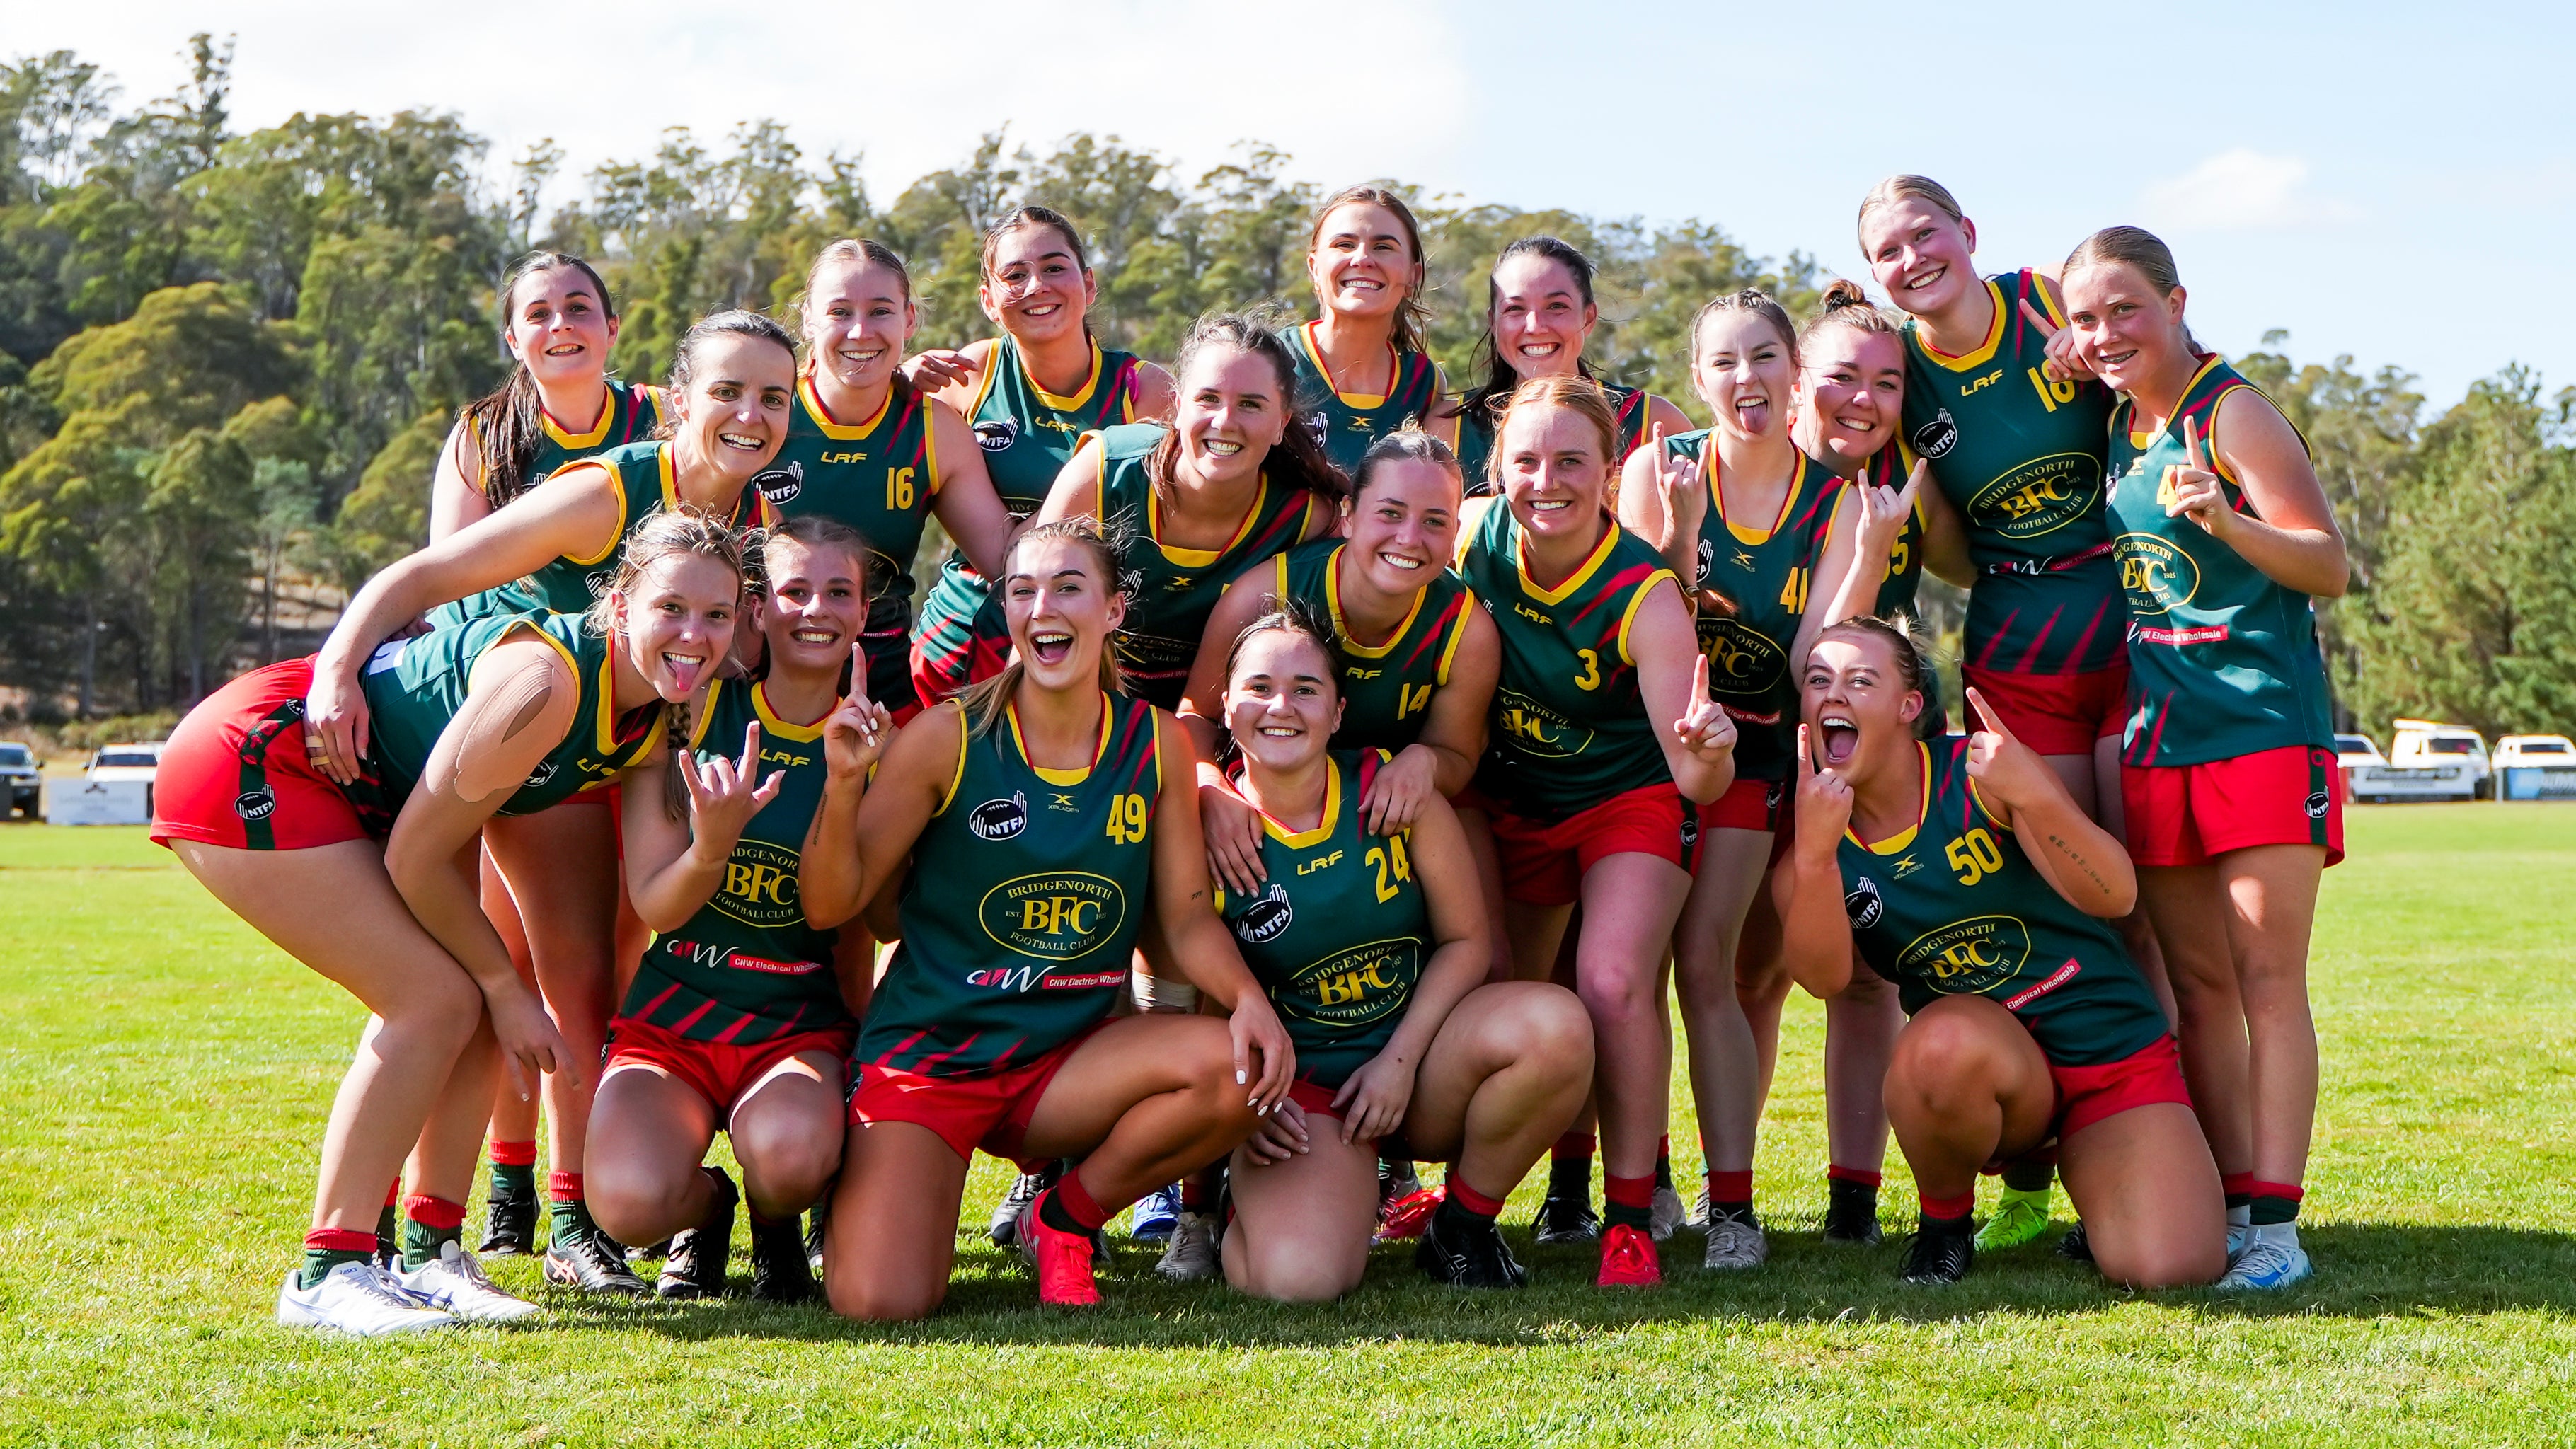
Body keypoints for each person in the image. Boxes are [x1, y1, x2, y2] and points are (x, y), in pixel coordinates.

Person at [151, 509, 751, 1332]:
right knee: (437, 998)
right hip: (259, 758)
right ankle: (328, 1271)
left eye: (717, 614)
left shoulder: (660, 705)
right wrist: (508, 986)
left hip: (373, 797)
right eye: (671, 609)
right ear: (618, 606)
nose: (695, 634)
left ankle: (429, 1255)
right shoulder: (546, 685)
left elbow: (652, 896)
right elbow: (414, 859)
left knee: (467, 1005)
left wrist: (711, 845)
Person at [302, 310, 797, 1292]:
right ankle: (527, 1218)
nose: (751, 413)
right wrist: (335, 669)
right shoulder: (607, 492)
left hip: (617, 744)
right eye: (729, 391)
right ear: (681, 399)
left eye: (774, 396)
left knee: (591, 972)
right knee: (522, 973)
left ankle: (536, 1220)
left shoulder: (755, 522)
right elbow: (424, 575)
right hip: (519, 717)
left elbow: (732, 654)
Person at [799, 520, 1296, 1318]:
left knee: (1242, 1065)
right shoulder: (946, 737)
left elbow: (1186, 914)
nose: (1042, 608)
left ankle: (1059, 1217)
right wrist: (843, 784)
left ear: (1113, 610)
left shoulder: (1157, 744)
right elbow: (832, 905)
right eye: (1022, 590)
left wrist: (1247, 1000)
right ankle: (866, 1178)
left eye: (1068, 586)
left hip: (1065, 1061)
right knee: (880, 1302)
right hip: (934, 1055)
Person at [1862, 177, 2161, 1251]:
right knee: (2066, 903)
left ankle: (2172, 1161)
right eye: (1887, 251)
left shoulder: (2057, 304)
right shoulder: (1900, 369)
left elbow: (2166, 379)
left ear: (1968, 234)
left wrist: (2098, 355)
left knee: (2149, 914)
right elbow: (1947, 549)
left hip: (2136, 629)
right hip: (2021, 650)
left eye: (1924, 234)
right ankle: (2031, 1189)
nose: (1910, 260)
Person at [2062, 226, 2350, 1289]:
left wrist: (2227, 522)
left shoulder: (2231, 412)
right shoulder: (2113, 420)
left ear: (2178, 301)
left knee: (2268, 981)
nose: (2106, 334)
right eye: (2088, 318)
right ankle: (2235, 1203)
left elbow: (2328, 566)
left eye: (2126, 309)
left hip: (2262, 731)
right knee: (2195, 984)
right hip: (2158, 738)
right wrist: (2069, 350)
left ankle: (2278, 1228)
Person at [1778, 617, 2225, 1288]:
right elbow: (1823, 978)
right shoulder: (1817, 840)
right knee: (1938, 1045)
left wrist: (2036, 792)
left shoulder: (1978, 773)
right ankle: (1945, 1227)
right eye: (1818, 680)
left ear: (1908, 708)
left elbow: (2116, 893)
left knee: (2172, 1267)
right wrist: (1814, 855)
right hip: (1992, 1073)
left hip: (2104, 1047)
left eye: (1858, 680)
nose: (1832, 694)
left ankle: (2096, 1177)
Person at [1617, 289, 1916, 1266]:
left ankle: (1733, 1205)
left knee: (1724, 967)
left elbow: (1806, 666)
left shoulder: (1832, 501)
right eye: (1725, 364)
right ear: (1696, 380)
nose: (1747, 380)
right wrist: (1678, 536)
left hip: (1755, 757)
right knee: (1635, 970)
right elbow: (1634, 630)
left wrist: (1869, 557)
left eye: (1764, 360)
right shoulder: (1656, 471)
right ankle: (1646, 1184)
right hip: (1652, 752)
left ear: (1793, 373)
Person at [1207, 610, 1591, 1298]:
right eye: (1259, 686)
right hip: (1309, 1097)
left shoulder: (1390, 789)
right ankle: (1247, 1201)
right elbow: (1190, 989)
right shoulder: (1208, 828)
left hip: (1418, 1064)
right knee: (1297, 1282)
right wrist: (1240, 1108)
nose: (1281, 706)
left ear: (1338, 710)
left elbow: (1468, 941)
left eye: (1305, 688)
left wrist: (1399, 1061)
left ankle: (1461, 1226)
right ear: (1226, 705)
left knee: (1554, 1027)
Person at [1458, 373, 1740, 1287]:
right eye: (1526, 461)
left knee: (1614, 982)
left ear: (1612, 474)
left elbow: (1697, 775)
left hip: (1624, 800)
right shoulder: (1472, 540)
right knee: (1507, 994)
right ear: (1496, 470)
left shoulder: (1644, 593)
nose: (1548, 480)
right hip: (1513, 802)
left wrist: (1710, 747)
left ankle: (1628, 1220)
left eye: (1572, 461)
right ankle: (1476, 1208)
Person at [421, 251, 663, 1258]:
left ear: (611, 327)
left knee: (606, 956)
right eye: (538, 313)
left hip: (638, 721)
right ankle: (528, 1198)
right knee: (520, 963)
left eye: (579, 308)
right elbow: (448, 581)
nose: (561, 324)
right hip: (529, 716)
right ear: (513, 338)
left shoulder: (659, 417)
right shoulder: (486, 435)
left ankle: (574, 1199)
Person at [585, 518, 878, 1305]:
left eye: (838, 592)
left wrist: (847, 782)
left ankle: (774, 1217)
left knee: (787, 1155)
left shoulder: (881, 740)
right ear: (756, 611)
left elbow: (836, 914)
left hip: (791, 1024)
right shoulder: (686, 709)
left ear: (863, 614)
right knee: (623, 1201)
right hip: (674, 1015)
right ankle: (709, 1209)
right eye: (792, 591)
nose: (814, 608)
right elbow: (656, 903)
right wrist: (710, 846)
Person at [906, 206, 1176, 705]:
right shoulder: (969, 375)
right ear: (988, 300)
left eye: (1055, 267)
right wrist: (895, 385)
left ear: (1089, 285)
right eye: (1015, 275)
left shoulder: (1147, 392)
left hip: (1086, 647)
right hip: (963, 639)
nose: (1037, 286)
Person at [1031, 313, 1341, 709]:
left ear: (1281, 424)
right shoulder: (1105, 471)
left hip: (1220, 722)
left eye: (1250, 405)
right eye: (1208, 399)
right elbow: (1036, 619)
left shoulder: (1307, 521)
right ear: (1177, 407)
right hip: (1087, 703)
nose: (1225, 421)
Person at [765, 238, 1017, 723]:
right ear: (809, 321)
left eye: (880, 311)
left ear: (909, 320)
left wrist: (1095, 478)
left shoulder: (934, 428)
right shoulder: (768, 414)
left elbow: (1006, 557)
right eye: (840, 312)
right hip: (762, 682)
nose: (860, 331)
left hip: (883, 690)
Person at [1453, 236, 1691, 490]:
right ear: (1493, 322)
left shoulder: (1651, 422)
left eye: (1556, 306)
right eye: (1515, 309)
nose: (1535, 326)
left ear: (1588, 318)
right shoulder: (1453, 428)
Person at [1284, 186, 1459, 473]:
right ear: (1314, 268)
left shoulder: (1427, 384)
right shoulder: (1272, 360)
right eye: (1344, 244)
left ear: (1413, 274)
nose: (1362, 259)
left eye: (1383, 247)